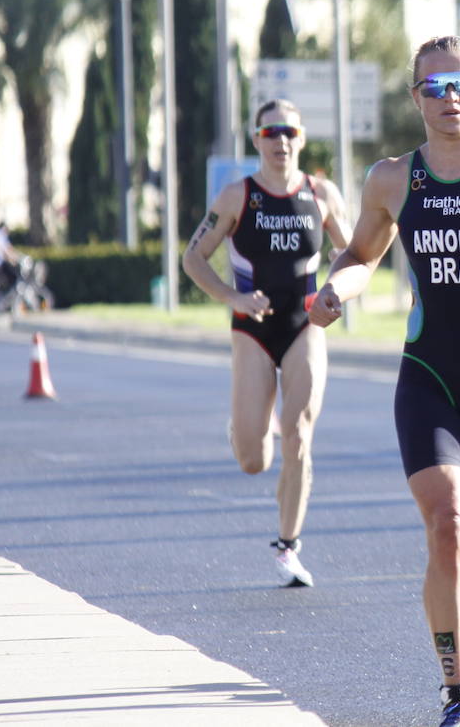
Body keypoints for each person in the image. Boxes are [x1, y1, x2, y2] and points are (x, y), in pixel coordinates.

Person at [308, 36, 460, 727]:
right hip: (429, 374)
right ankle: (459, 695)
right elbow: (360, 252)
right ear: (415, 98)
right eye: (435, 88)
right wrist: (337, 288)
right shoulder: (391, 179)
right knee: (445, 523)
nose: (450, 100)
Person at [182, 99, 351, 587]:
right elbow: (194, 259)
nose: (280, 141)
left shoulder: (322, 195)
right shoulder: (238, 196)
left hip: (305, 325)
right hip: (253, 329)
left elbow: (353, 252)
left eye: (289, 132)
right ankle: (243, 428)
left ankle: (287, 547)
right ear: (256, 139)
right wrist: (232, 296)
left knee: (299, 431)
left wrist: (335, 292)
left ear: (301, 138)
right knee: (254, 460)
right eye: (271, 132)